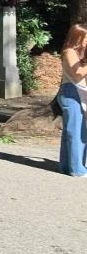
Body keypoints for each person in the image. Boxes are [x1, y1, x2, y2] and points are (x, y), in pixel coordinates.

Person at [57, 24, 87, 177]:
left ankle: (67, 166)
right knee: (75, 131)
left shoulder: (79, 55)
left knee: (77, 131)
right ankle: (77, 169)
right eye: (86, 37)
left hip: (78, 93)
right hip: (70, 93)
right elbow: (77, 73)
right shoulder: (69, 52)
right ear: (78, 37)